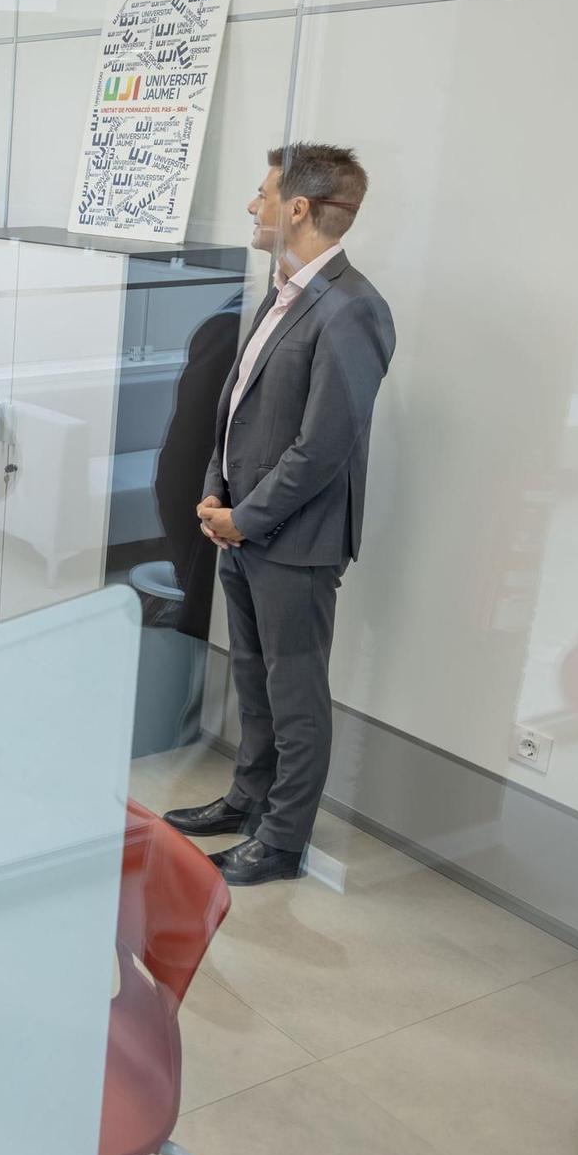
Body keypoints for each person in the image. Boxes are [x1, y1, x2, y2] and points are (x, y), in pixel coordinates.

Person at [164, 143, 397, 886]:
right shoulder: (284, 292)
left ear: (298, 208)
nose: (252, 206)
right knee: (256, 683)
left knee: (296, 697)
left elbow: (323, 446)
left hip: (294, 541)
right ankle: (247, 799)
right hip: (245, 526)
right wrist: (216, 492)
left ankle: (283, 841)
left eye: (262, 193)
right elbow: (237, 407)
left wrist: (247, 517)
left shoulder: (354, 309)